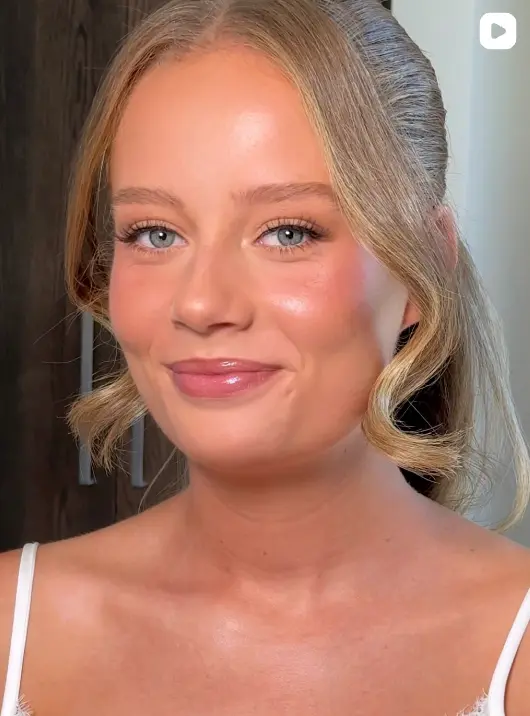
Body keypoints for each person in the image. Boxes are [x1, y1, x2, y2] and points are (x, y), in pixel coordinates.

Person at [1, 0, 530, 714]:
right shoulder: (11, 626)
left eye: (287, 232)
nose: (200, 304)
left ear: (425, 266)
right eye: (155, 233)